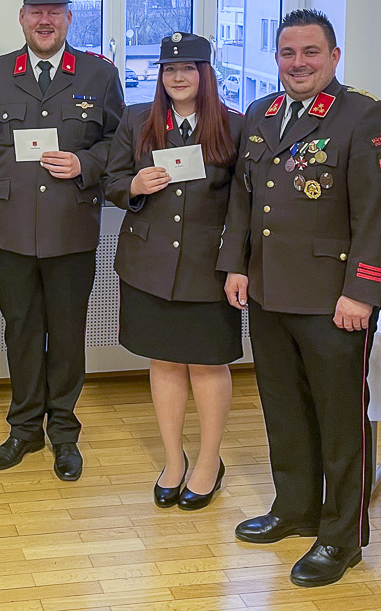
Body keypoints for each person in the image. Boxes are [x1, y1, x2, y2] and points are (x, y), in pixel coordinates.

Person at [217, 8, 381, 586]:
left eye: (310, 53)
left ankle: (342, 537)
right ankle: (295, 507)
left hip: (333, 300)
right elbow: (245, 198)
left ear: (334, 56)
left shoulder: (365, 116)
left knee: (340, 419)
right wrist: (236, 264)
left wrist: (363, 293)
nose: (297, 63)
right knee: (284, 408)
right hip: (269, 291)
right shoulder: (262, 112)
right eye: (288, 53)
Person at [0, 0, 125, 482]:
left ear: (69, 17)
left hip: (71, 230)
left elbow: (119, 145)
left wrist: (85, 163)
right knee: (22, 332)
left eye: (55, 11)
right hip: (10, 232)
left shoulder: (98, 75)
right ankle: (25, 429)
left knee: (68, 335)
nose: (45, 20)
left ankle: (65, 434)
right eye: (37, 11)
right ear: (22, 17)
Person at [103, 32, 242, 509]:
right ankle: (173, 460)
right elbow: (111, 181)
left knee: (207, 363)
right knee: (163, 361)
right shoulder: (137, 119)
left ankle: (208, 462)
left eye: (187, 69)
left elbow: (244, 202)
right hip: (149, 265)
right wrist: (134, 186)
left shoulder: (235, 125)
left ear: (205, 74)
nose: (177, 77)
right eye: (169, 69)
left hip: (208, 267)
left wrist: (236, 264)